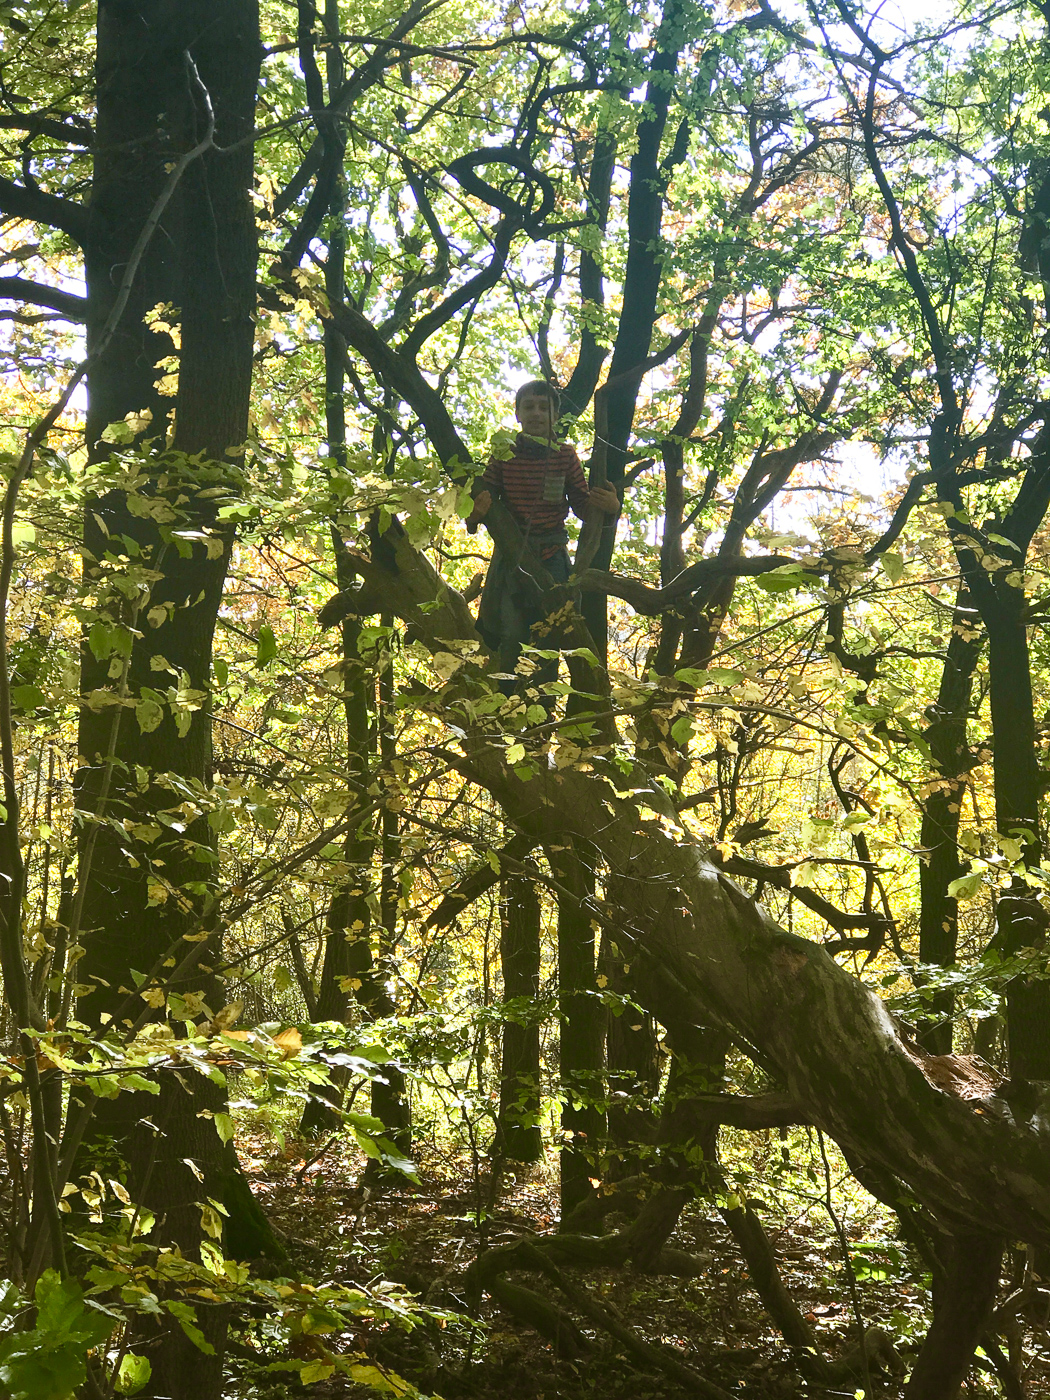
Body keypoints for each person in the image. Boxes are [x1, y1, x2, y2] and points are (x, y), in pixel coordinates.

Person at [466, 379, 619, 693]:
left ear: (554, 416)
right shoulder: (504, 453)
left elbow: (583, 506)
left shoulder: (564, 455)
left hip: (551, 556)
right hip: (512, 557)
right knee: (511, 633)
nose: (536, 413)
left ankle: (543, 706)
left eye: (543, 407)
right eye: (529, 407)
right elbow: (482, 499)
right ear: (518, 414)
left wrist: (610, 508)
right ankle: (507, 704)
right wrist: (474, 515)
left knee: (549, 634)